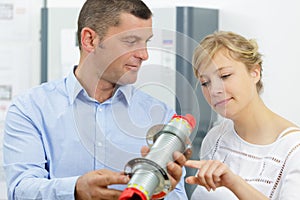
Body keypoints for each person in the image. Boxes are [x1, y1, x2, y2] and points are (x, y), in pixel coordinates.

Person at [3, 0, 189, 199]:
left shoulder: (161, 116)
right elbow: (21, 189)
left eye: (146, 42)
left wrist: (159, 192)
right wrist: (75, 190)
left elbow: (177, 194)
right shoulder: (30, 109)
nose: (144, 55)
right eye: (131, 41)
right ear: (90, 40)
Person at [184, 31, 300, 199]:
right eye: (205, 82)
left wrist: (234, 183)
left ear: (255, 73)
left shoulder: (293, 150)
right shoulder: (216, 137)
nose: (215, 90)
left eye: (224, 76)